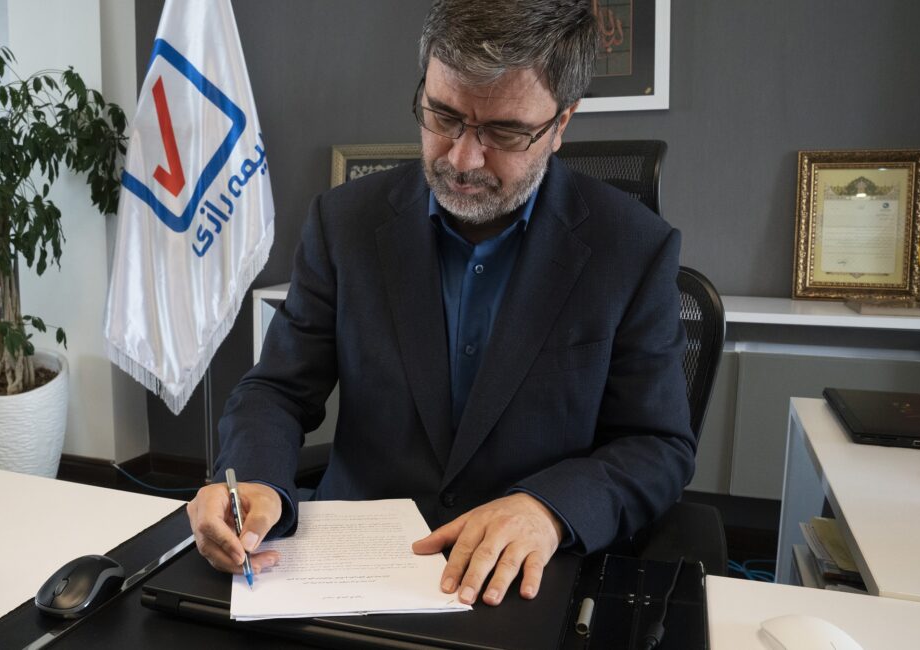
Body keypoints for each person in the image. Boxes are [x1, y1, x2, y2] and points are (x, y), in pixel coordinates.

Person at [186, 0, 694, 608]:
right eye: (443, 116)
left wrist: (549, 509)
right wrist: (254, 481)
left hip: (523, 584)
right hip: (353, 572)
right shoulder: (345, 223)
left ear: (562, 123)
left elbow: (657, 446)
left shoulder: (632, 249)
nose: (462, 159)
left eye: (504, 132)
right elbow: (278, 389)